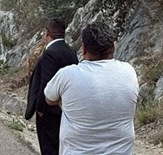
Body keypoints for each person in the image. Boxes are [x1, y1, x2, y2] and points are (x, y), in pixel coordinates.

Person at [44, 21, 138, 155]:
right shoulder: (129, 72)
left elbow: (49, 98)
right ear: (114, 47)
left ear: (84, 49)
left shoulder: (67, 74)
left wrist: (64, 102)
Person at [25, 18, 79, 155]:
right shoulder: (71, 52)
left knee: (48, 147)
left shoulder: (50, 53)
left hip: (49, 111)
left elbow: (46, 82)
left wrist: (41, 108)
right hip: (65, 109)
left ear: (47, 33)